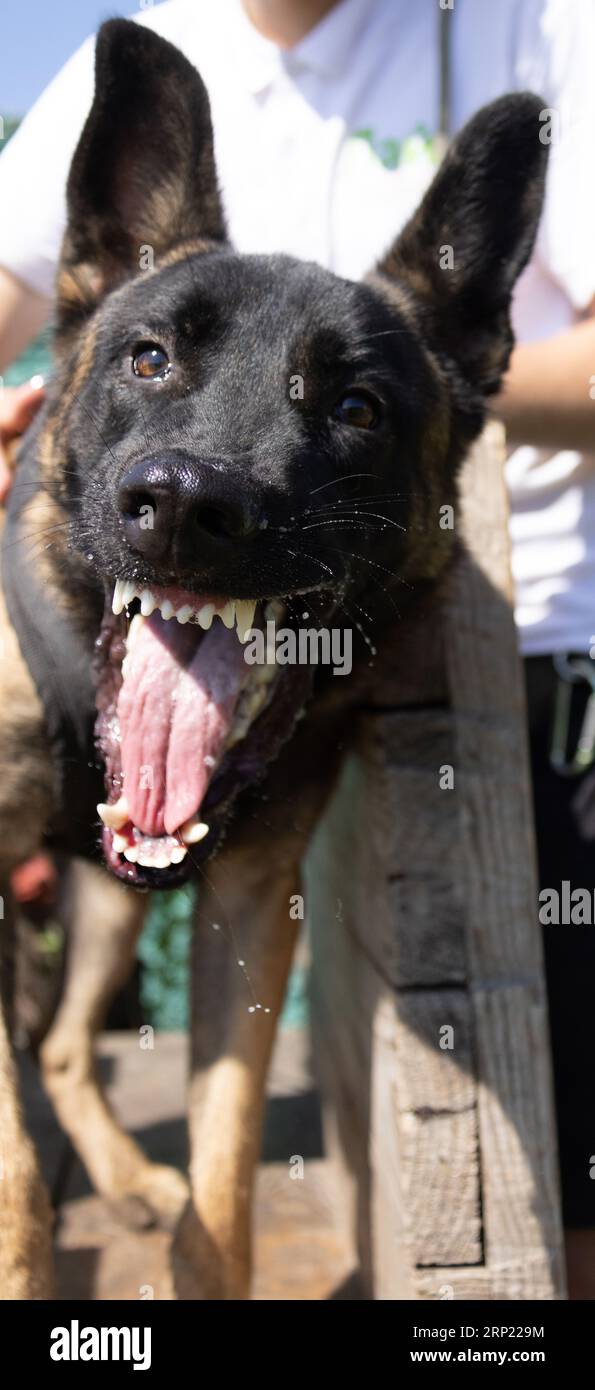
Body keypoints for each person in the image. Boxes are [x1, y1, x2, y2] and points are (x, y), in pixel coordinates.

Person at [1, 0, 595, 1295]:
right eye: (148, 355)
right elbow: (15, 281)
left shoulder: (534, 24)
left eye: (358, 402)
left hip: (499, 638)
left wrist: (438, 370)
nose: (194, 477)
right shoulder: (173, 31)